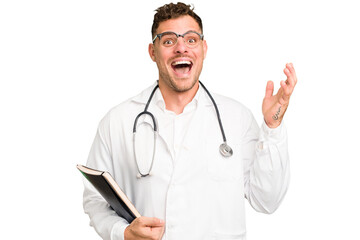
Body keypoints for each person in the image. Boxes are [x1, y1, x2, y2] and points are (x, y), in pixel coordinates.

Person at [82, 2, 297, 240]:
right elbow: (95, 200)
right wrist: (122, 232)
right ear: (152, 52)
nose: (181, 48)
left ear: (204, 49)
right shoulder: (117, 121)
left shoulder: (237, 118)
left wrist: (272, 126)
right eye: (168, 40)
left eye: (191, 40)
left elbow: (267, 200)